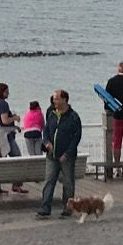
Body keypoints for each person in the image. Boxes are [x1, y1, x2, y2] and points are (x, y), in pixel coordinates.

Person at [36, 89, 82, 219]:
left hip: (66, 156)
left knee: (68, 182)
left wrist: (67, 153)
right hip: (52, 155)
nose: (54, 101)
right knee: (49, 180)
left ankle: (68, 207)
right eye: (54, 98)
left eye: (56, 98)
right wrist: (46, 142)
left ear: (64, 99)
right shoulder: (52, 114)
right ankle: (45, 207)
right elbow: (45, 130)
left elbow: (76, 137)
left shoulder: (73, 117)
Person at [0, 84, 26, 195]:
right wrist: (15, 118)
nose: (8, 93)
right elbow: (4, 121)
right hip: (4, 137)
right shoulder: (3, 104)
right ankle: (16, 184)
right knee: (17, 158)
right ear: (2, 92)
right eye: (6, 91)